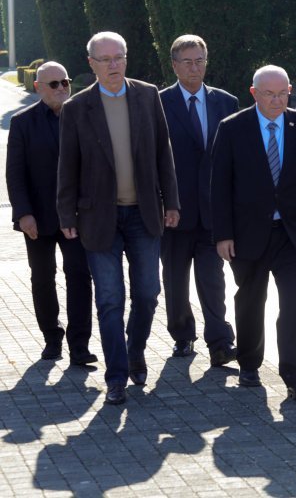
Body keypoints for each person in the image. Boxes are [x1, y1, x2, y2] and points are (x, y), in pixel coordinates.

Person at [57, 32, 180, 406]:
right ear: (91, 63)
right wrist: (66, 212)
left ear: (126, 59)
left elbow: (163, 152)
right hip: (99, 218)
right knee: (110, 299)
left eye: (119, 57)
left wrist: (171, 201)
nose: (113, 65)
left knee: (147, 294)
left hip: (144, 214)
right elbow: (68, 167)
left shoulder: (147, 95)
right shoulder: (77, 108)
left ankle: (134, 349)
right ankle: (116, 377)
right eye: (105, 59)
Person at [211, 65, 296, 402]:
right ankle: (249, 364)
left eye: (282, 93)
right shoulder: (233, 128)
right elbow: (220, 186)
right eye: (269, 94)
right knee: (250, 300)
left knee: (294, 305)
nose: (277, 100)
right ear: (254, 93)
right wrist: (223, 234)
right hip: (248, 233)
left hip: (294, 233)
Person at [6, 62, 95, 365]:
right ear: (38, 88)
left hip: (78, 218)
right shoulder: (22, 123)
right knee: (42, 277)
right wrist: (23, 214)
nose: (61, 88)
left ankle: (80, 345)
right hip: (39, 217)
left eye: (65, 82)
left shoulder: (85, 118)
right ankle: (51, 339)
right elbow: (15, 174)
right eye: (54, 84)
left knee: (80, 276)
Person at [159, 35, 238, 365]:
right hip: (174, 212)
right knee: (176, 282)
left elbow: (234, 159)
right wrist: (164, 202)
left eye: (200, 61)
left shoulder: (226, 103)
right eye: (188, 62)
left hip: (213, 213)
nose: (194, 68)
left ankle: (220, 342)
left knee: (213, 280)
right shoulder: (158, 103)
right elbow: (151, 159)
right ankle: (182, 336)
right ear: (175, 65)